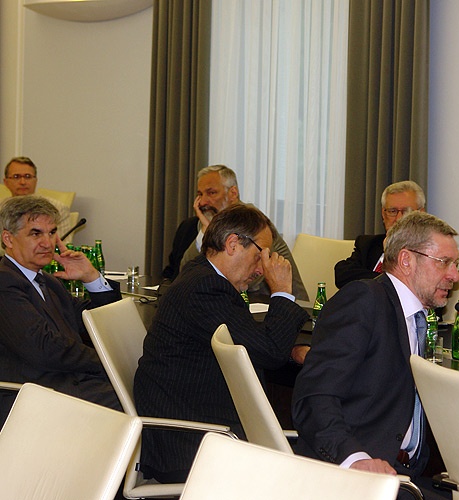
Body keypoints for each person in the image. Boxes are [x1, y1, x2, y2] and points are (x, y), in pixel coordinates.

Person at [134, 203, 309, 483]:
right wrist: (282, 292)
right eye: (260, 255)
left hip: (196, 423)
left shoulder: (201, 275)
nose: (262, 269)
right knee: (314, 460)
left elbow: (248, 341)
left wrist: (291, 350)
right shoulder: (205, 288)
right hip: (192, 442)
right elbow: (269, 353)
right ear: (232, 243)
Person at [293, 211, 459, 485]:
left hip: (409, 473)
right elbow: (314, 397)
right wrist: (354, 458)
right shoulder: (365, 300)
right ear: (406, 260)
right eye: (444, 262)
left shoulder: (417, 317)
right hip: (356, 473)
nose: (454, 275)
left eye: (456, 264)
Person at [0, 196, 122, 422]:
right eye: (36, 234)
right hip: (33, 397)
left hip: (69, 383)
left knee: (148, 392)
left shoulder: (48, 281)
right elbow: (44, 347)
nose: (48, 243)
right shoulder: (5, 282)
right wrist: (108, 361)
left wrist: (91, 277)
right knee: (146, 399)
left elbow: (96, 325)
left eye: (52, 233)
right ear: (8, 238)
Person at [161, 164, 308, 301]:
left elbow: (250, 281)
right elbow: (184, 271)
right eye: (200, 194)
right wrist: (204, 233)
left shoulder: (253, 222)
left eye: (211, 193)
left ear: (233, 193)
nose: (203, 202)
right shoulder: (206, 222)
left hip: (279, 304)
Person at [334, 180, 426, 289]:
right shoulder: (368, 244)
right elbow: (342, 274)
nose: (398, 218)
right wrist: (391, 281)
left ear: (421, 214)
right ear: (383, 214)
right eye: (392, 211)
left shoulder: (427, 252)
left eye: (406, 211)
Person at [3, 156, 74, 243]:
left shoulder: (58, 208)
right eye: (16, 176)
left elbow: (63, 245)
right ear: (6, 182)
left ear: (36, 180)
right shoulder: (2, 208)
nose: (22, 182)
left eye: (28, 176)